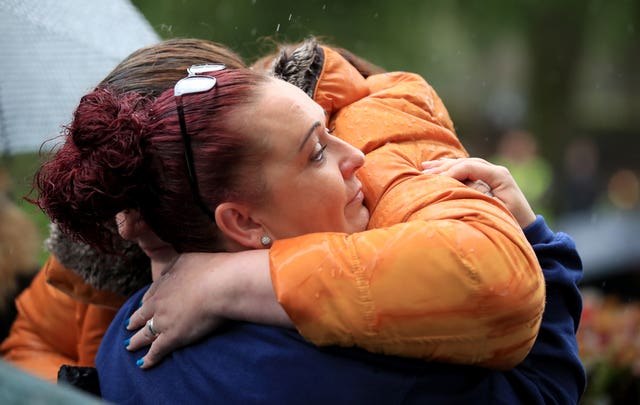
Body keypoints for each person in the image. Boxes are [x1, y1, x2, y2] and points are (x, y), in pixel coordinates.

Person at [125, 38, 545, 370]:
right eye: (317, 151)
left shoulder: (132, 345)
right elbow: (535, 388)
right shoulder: (281, 363)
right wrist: (546, 254)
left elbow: (490, 281)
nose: (356, 158)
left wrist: (230, 279)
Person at [0, 38, 246, 382]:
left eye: (153, 191)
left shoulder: (316, 258)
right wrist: (78, 393)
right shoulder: (92, 242)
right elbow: (32, 341)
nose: (126, 227)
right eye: (119, 193)